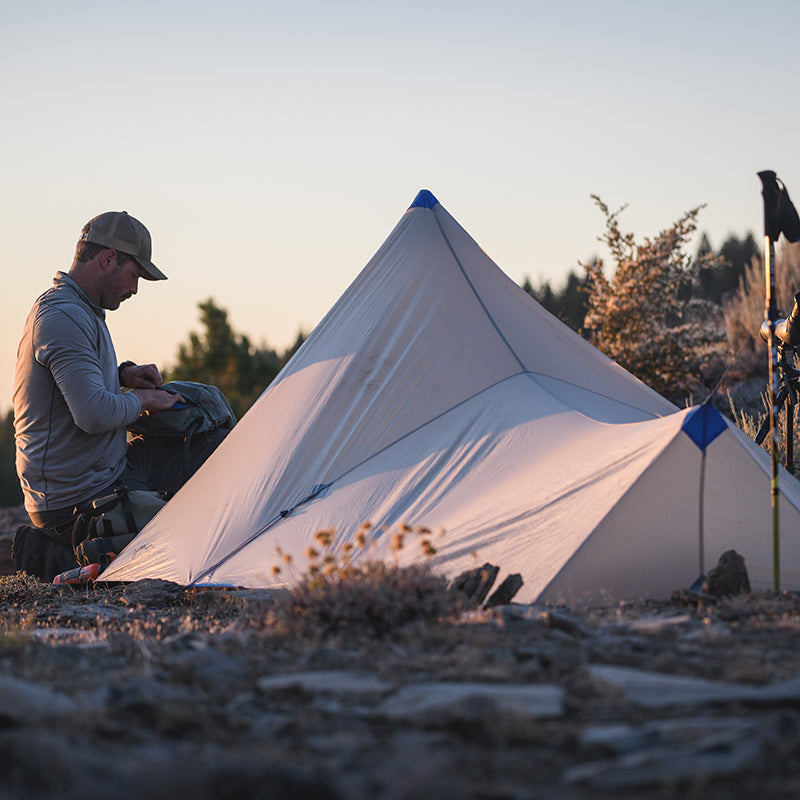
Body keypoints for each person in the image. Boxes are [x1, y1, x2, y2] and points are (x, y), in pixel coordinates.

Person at [13, 210, 228, 533]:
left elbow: (72, 381)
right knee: (197, 530)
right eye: (135, 275)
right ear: (109, 259)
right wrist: (145, 399)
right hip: (77, 499)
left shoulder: (78, 310)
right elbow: (93, 414)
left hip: (106, 471)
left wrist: (122, 374)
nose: (135, 289)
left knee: (219, 444)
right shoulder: (63, 317)